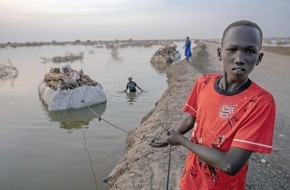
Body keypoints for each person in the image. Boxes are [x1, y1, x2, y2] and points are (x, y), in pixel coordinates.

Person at [150, 20, 276, 190]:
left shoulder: (260, 102)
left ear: (258, 58)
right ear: (220, 53)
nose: (239, 59)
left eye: (249, 51)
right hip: (191, 177)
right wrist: (169, 139)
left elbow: (230, 164)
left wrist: (182, 141)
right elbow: (193, 118)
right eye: (232, 50)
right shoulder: (204, 82)